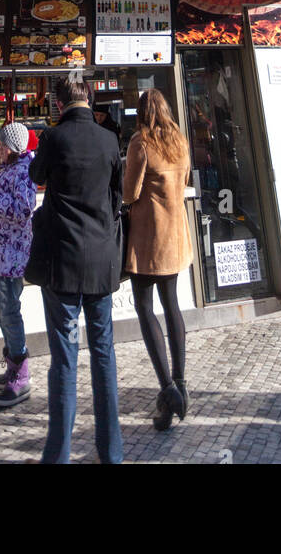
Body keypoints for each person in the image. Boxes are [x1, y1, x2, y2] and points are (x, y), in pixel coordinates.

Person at [26, 75, 123, 465]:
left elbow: (36, 178)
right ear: (89, 99)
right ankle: (111, 452)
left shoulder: (52, 138)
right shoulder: (110, 140)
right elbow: (116, 198)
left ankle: (58, 456)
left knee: (64, 358)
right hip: (101, 262)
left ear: (57, 103)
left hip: (62, 264)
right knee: (104, 354)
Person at [123, 89, 192, 431]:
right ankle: (181, 383)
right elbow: (186, 180)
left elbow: (130, 191)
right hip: (175, 236)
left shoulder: (140, 142)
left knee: (145, 308)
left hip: (148, 239)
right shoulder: (179, 140)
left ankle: (167, 388)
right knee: (172, 306)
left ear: (141, 112)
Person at [0, 121, 36, 409]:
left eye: (3, 145)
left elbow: (24, 211)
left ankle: (21, 372)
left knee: (9, 309)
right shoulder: (9, 169)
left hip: (12, 256)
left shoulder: (24, 172)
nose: (0, 149)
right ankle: (11, 361)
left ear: (15, 148)